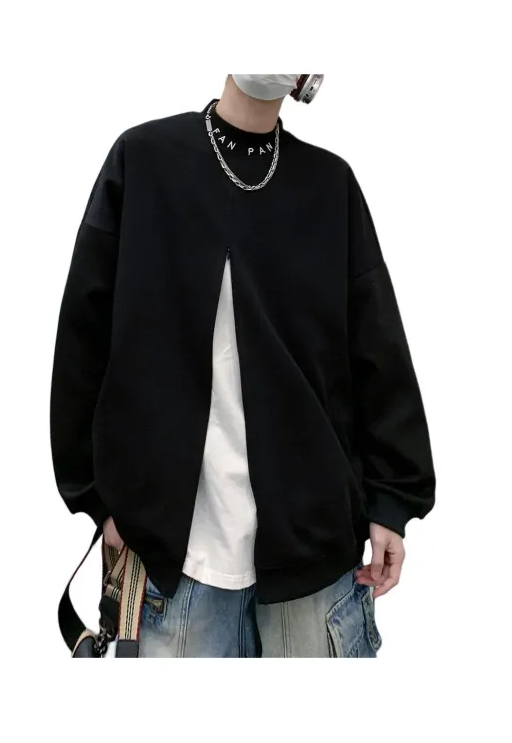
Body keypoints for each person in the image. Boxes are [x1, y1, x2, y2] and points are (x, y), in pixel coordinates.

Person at [50, 74, 436, 657]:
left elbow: (376, 352)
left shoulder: (330, 186)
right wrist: (100, 500)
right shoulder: (144, 161)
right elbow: (82, 341)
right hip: (174, 564)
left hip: (316, 559)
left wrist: (391, 504)